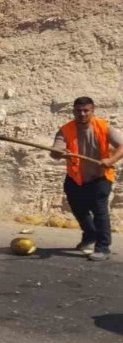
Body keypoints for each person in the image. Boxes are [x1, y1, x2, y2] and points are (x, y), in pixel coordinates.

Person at [49, 97, 123, 261]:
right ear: (73, 111)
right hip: (75, 177)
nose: (82, 114)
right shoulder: (65, 130)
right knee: (78, 209)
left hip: (100, 176)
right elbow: (55, 152)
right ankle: (90, 235)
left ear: (92, 110)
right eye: (78, 110)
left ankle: (103, 248)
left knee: (99, 211)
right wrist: (59, 152)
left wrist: (111, 160)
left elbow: (122, 146)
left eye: (86, 110)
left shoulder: (104, 127)